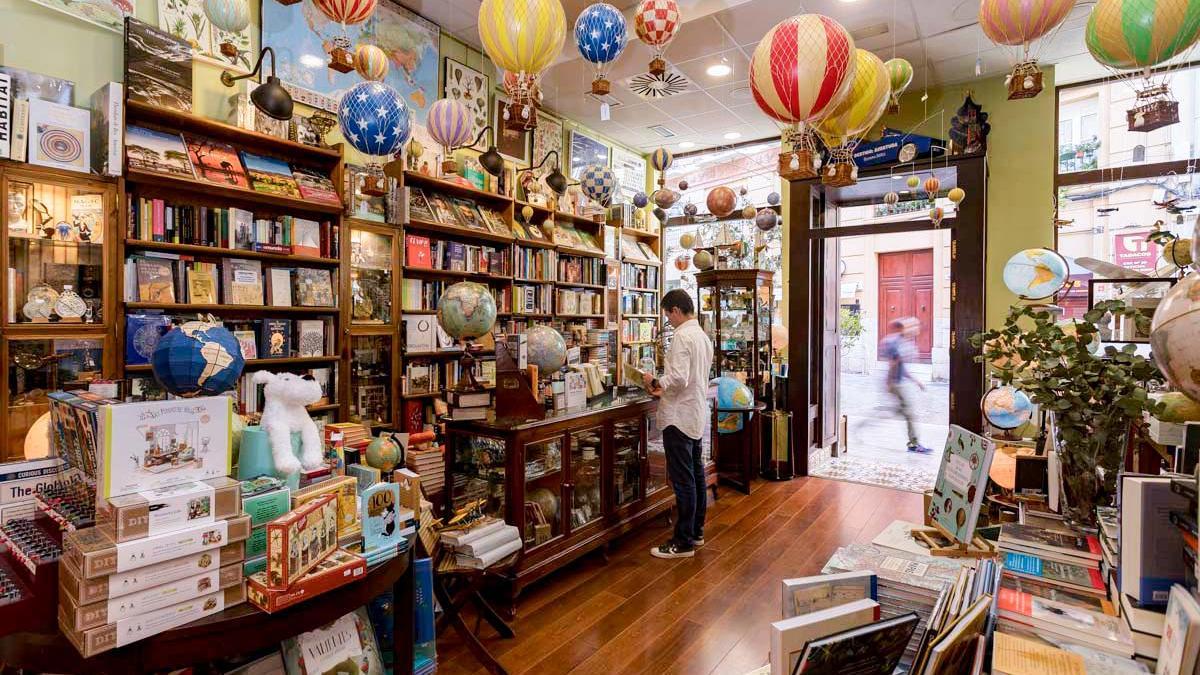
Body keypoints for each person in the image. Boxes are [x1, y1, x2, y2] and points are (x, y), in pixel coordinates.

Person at [643, 289, 714, 559]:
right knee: (696, 475)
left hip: (679, 416)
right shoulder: (702, 336)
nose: (668, 321)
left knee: (683, 481)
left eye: (667, 315)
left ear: (675, 310)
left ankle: (682, 542)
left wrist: (655, 382)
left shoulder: (683, 336)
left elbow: (678, 377)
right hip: (694, 412)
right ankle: (696, 532)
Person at [880, 317, 931, 453]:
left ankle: (886, 414)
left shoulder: (899, 341)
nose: (916, 329)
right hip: (896, 384)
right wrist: (889, 382)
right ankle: (913, 444)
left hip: (896, 382)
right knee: (909, 414)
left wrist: (915, 381)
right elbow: (893, 363)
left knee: (903, 412)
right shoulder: (895, 342)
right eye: (913, 326)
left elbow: (900, 366)